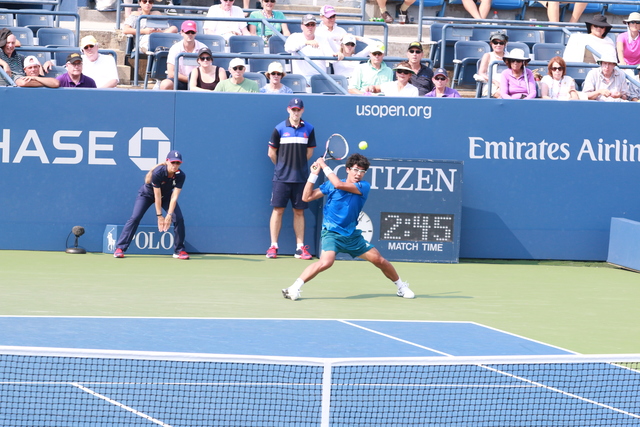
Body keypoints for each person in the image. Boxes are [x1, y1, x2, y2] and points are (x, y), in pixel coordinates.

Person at [281, 153, 415, 301]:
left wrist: (324, 165)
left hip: (352, 236)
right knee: (326, 262)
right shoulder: (330, 184)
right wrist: (313, 175)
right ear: (347, 169)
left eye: (362, 171)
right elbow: (306, 197)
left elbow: (339, 184)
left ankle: (401, 287)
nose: (359, 174)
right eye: (356, 170)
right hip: (331, 233)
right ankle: (294, 288)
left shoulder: (363, 186)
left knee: (379, 260)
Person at [114, 150, 189, 260]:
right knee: (135, 218)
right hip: (147, 195)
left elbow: (174, 197)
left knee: (179, 218)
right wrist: (160, 216)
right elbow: (157, 196)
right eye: (173, 162)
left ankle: (179, 250)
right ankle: (120, 248)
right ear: (167, 161)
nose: (175, 165)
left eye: (178, 163)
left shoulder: (180, 175)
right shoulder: (157, 173)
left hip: (167, 197)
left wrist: (169, 215)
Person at [266, 98, 316, 260]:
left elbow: (309, 153)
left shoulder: (309, 129)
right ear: (289, 110)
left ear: (302, 111)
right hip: (281, 178)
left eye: (298, 110)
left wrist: (298, 166)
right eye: (293, 109)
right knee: (278, 210)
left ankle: (300, 248)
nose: (296, 112)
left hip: (301, 178)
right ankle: (273, 246)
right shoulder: (279, 128)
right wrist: (282, 167)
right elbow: (271, 153)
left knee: (299, 212)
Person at [285, 14, 334, 84]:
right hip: (301, 78)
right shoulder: (294, 37)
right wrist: (306, 43)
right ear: (302, 26)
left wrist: (337, 54)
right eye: (307, 25)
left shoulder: (322, 39)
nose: (310, 27)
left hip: (320, 78)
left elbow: (330, 56)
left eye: (312, 24)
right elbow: (288, 48)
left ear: (315, 26)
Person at [160, 21, 207, 91]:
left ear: (196, 33)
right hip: (179, 80)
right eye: (187, 32)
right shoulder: (175, 48)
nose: (190, 34)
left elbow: (208, 69)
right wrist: (189, 79)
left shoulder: (203, 48)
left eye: (192, 32)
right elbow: (171, 73)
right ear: (182, 32)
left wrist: (195, 80)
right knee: (165, 84)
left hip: (199, 81)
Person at [475, 31, 508, 98]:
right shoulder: (487, 55)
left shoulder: (509, 56)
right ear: (491, 43)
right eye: (495, 43)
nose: (498, 45)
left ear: (505, 44)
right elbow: (481, 73)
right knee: (502, 94)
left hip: (507, 84)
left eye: (501, 43)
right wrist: (495, 82)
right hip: (491, 84)